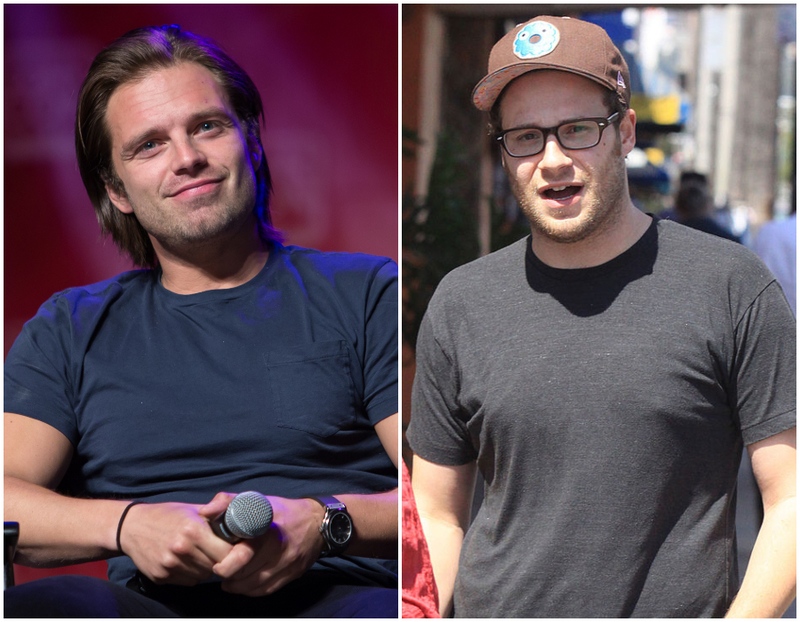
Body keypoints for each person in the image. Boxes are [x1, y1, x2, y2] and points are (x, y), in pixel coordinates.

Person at [406, 15, 795, 618]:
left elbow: (791, 499)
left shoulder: (732, 285)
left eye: (578, 129)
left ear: (626, 132)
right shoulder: (461, 302)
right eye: (526, 136)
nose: (553, 158)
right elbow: (435, 514)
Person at [4, 25, 398, 617]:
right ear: (117, 191)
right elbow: (6, 496)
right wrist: (128, 525)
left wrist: (325, 520)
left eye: (206, 127)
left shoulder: (367, 292)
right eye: (149, 145)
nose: (187, 159)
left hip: (340, 593)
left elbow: (443, 493)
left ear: (253, 140)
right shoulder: (70, 329)